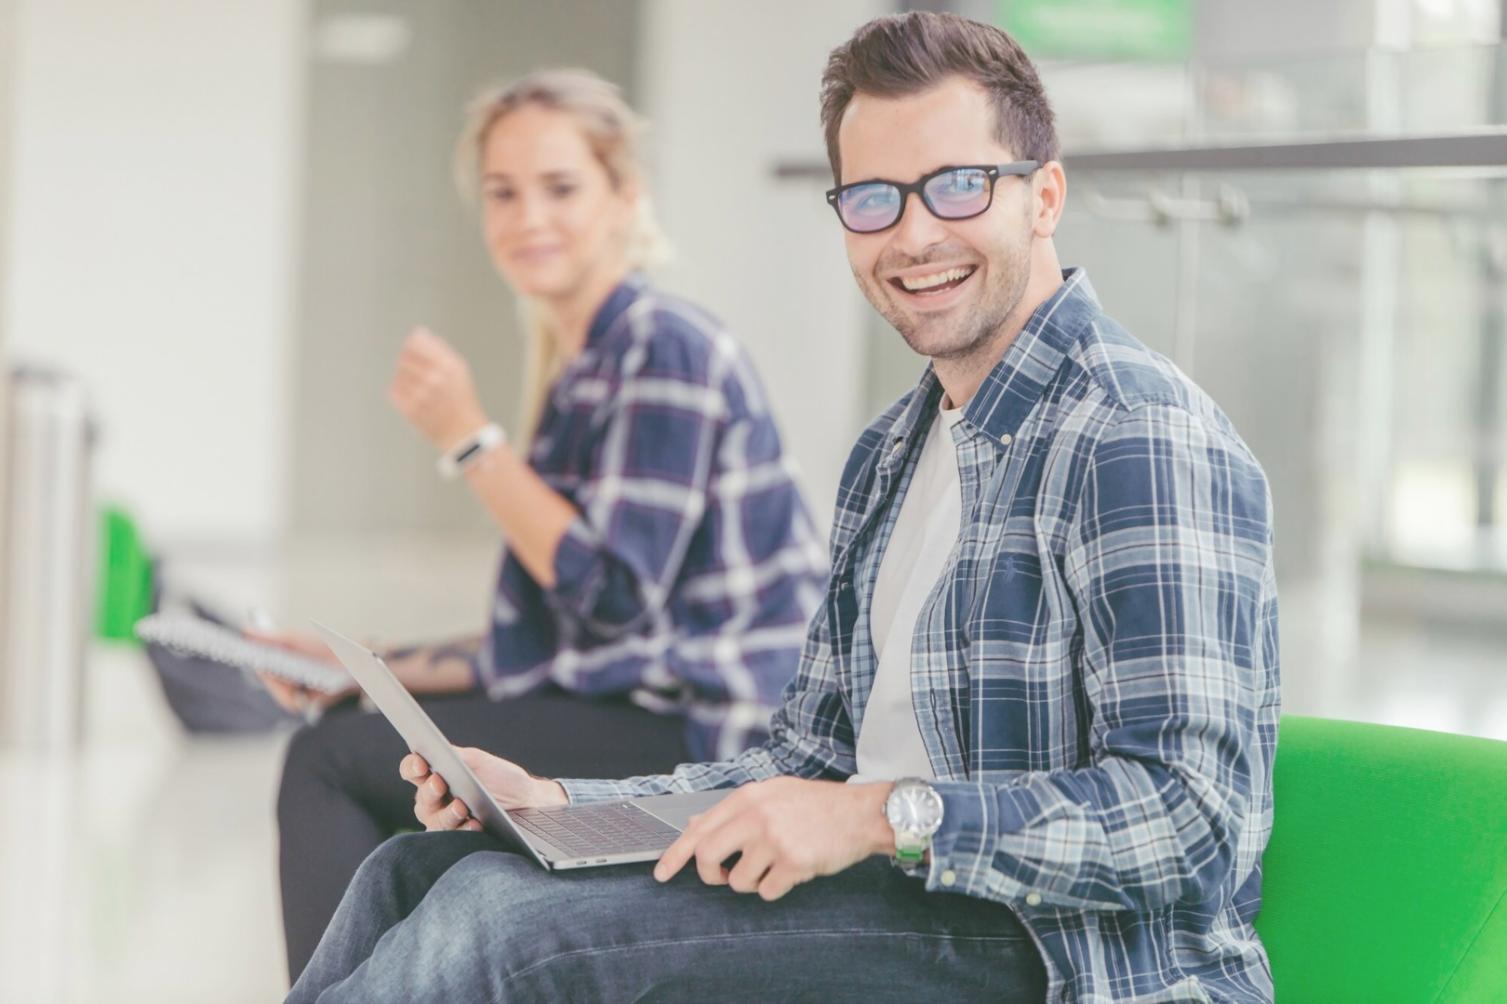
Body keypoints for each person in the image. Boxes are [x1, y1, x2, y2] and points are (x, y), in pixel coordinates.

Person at [287, 13, 1281, 1003]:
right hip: (883, 901)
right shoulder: (893, 451)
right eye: (873, 200)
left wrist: (876, 818)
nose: (914, 233)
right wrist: (560, 802)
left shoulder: (1135, 432)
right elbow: (800, 760)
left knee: (498, 927)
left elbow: (1191, 820)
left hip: (1041, 949)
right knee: (412, 874)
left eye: (958, 185)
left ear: (1043, 195)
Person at [261, 68, 827, 983]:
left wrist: (470, 441)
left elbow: (609, 599)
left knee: (328, 765)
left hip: (704, 734)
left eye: (560, 187)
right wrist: (368, 670)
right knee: (355, 742)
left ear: (622, 197)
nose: (529, 217)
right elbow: (556, 648)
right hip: (634, 702)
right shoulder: (587, 364)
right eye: (503, 192)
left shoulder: (664, 347)